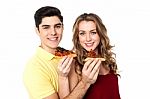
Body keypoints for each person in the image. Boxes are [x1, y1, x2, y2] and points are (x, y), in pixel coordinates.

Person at [23, 6, 99, 99]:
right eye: (46, 27)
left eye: (57, 26)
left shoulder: (71, 55)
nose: (53, 32)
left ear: (63, 28)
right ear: (37, 31)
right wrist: (84, 83)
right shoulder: (34, 68)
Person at [58, 13, 121, 99]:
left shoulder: (108, 61)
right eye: (82, 33)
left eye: (93, 32)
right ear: (77, 37)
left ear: (100, 34)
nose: (88, 38)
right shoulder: (74, 64)